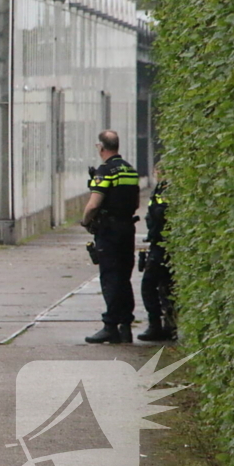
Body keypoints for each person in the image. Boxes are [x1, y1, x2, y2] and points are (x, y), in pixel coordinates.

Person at [81, 130, 139, 344]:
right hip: (127, 228)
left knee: (110, 277)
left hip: (109, 230)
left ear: (101, 147)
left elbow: (94, 203)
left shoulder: (105, 171)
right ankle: (125, 327)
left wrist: (86, 221)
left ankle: (110, 326)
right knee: (124, 276)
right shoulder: (130, 170)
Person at [137, 169, 175, 341]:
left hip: (161, 243)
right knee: (167, 285)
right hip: (162, 242)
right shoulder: (164, 188)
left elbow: (160, 214)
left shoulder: (165, 189)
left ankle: (155, 325)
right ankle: (169, 325)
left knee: (149, 285)